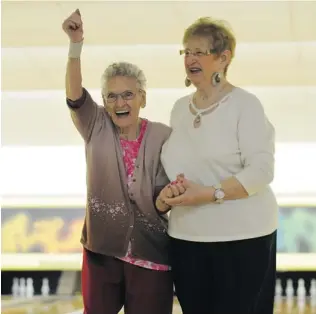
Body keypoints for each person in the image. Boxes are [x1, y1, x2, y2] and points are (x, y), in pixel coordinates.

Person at [158, 17, 278, 314]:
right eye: (186, 52)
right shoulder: (178, 109)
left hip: (243, 239)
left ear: (223, 58)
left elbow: (261, 171)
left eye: (199, 52)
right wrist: (165, 195)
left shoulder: (245, 105)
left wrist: (211, 193)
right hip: (187, 238)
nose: (190, 58)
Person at [62, 9, 178, 314]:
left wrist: (166, 199)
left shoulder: (163, 136)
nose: (119, 103)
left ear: (142, 97)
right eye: (111, 96)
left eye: (128, 95)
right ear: (103, 101)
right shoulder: (95, 124)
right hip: (102, 251)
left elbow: (161, 197)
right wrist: (75, 46)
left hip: (151, 253)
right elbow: (75, 96)